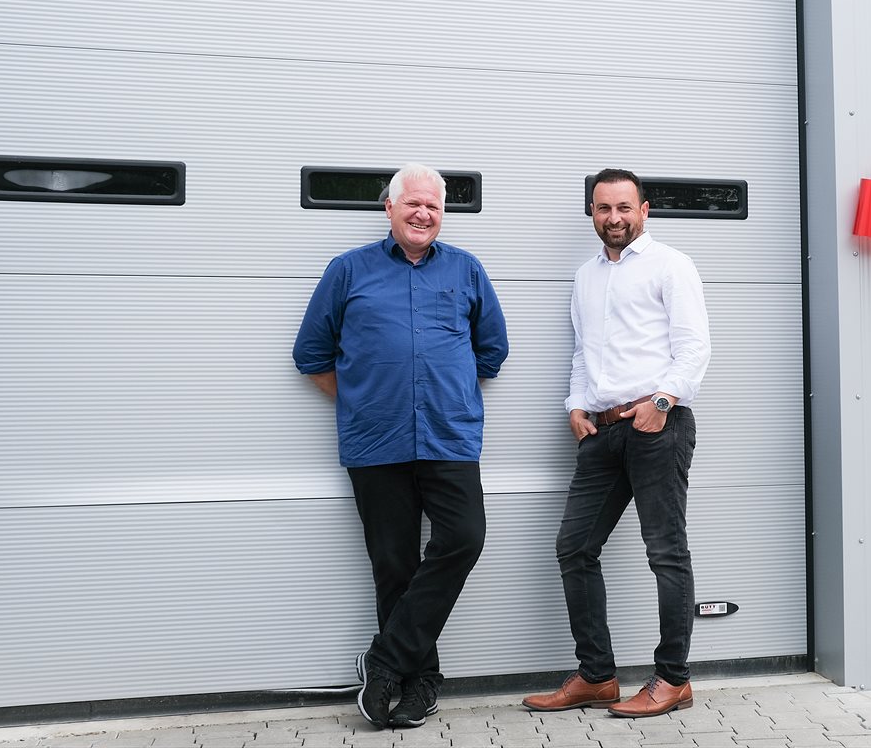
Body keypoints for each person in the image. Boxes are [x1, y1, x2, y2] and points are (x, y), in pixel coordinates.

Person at [292, 162, 508, 729]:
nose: (423, 213)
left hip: (448, 435)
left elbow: (492, 352)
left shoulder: (466, 270)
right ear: (388, 208)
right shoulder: (348, 270)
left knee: (464, 537)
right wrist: (364, 397)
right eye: (412, 203)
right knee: (394, 565)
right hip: (376, 440)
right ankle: (418, 683)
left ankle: (383, 660)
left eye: (434, 206)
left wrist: (446, 386)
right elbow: (311, 355)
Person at [522, 168, 711, 718]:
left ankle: (673, 679)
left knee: (665, 553)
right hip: (601, 433)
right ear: (592, 213)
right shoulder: (586, 277)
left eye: (624, 207)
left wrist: (661, 404)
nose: (614, 218)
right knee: (574, 548)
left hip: (657, 426)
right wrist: (575, 406)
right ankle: (597, 676)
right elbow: (584, 352)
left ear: (644, 210)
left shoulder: (671, 265)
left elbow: (694, 348)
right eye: (604, 209)